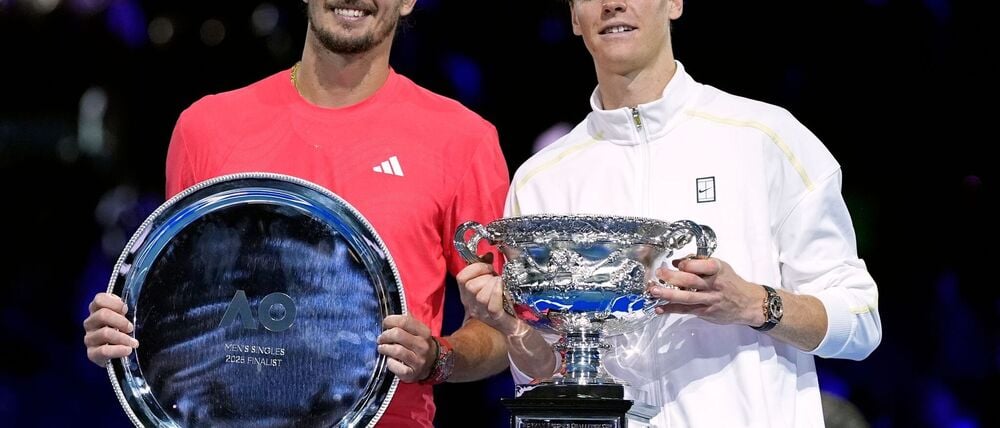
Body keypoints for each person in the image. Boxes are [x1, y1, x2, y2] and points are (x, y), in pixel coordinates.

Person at [82, 0, 511, 426]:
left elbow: (503, 330)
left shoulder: (463, 140)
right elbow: (182, 312)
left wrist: (436, 358)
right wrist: (125, 331)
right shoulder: (206, 129)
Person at [457, 0, 882, 426]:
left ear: (674, 3)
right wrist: (511, 326)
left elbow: (860, 322)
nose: (613, 4)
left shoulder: (765, 138)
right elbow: (547, 376)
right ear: (573, 17)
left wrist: (752, 303)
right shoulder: (542, 179)